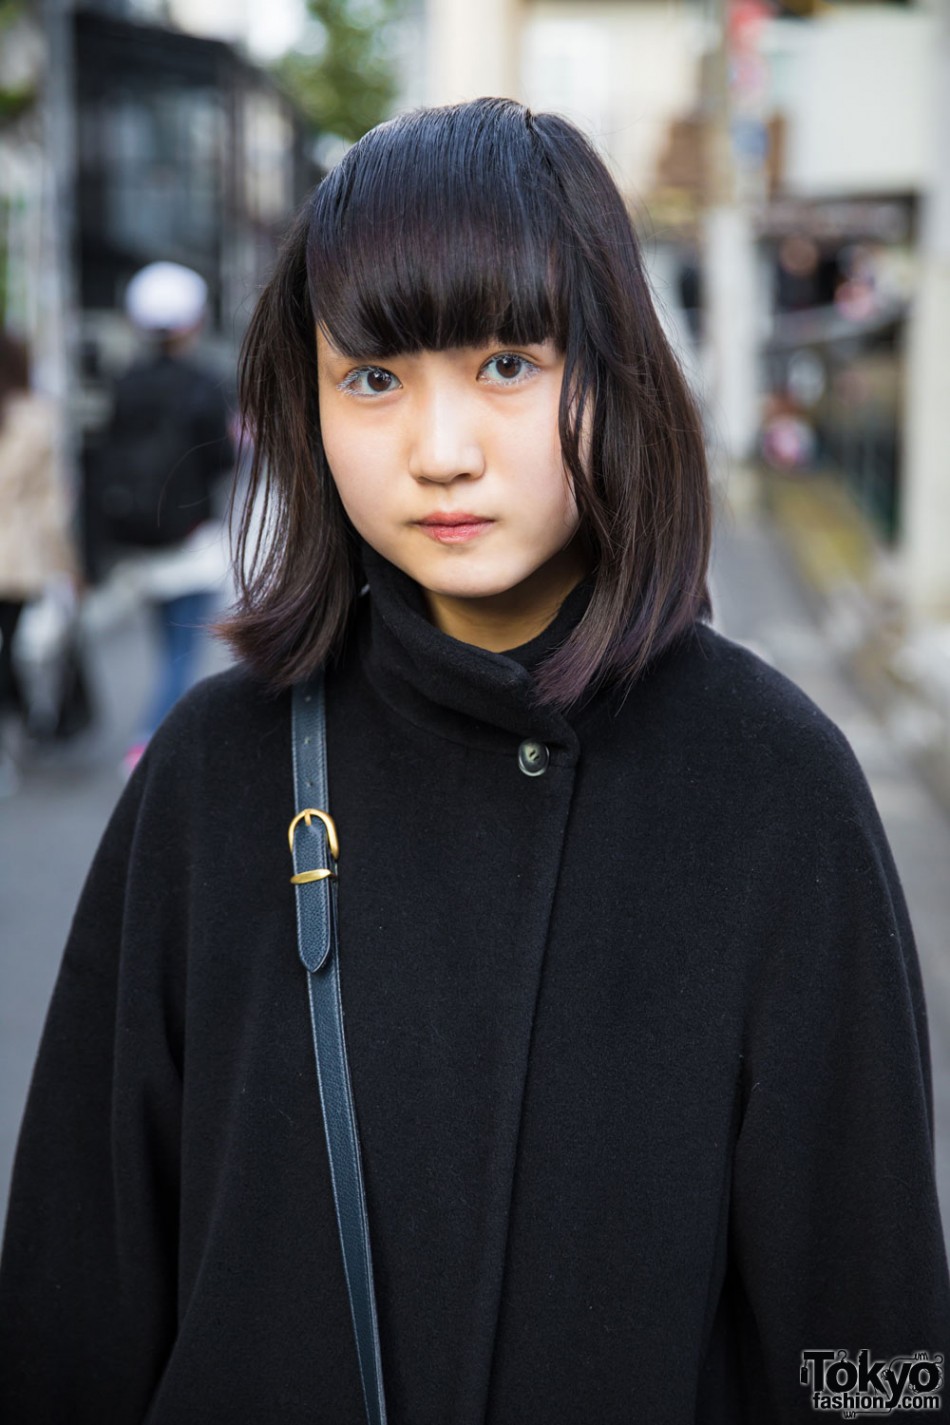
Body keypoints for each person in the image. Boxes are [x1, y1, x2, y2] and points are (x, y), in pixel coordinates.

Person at [0, 99, 947, 1423]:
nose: (439, 453)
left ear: (611, 372)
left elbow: (874, 1351)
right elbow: (70, 1304)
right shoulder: (216, 773)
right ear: (304, 408)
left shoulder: (772, 788)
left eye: (508, 364)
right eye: (372, 380)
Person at [93, 260, 234, 775]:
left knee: (165, 649)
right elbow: (221, 459)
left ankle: (156, 740)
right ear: (192, 322)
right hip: (190, 539)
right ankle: (150, 744)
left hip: (140, 539)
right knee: (181, 655)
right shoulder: (204, 384)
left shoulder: (125, 384)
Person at [0, 331, 81, 793]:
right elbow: (51, 510)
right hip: (14, 557)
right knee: (8, 649)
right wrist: (68, 566)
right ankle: (19, 731)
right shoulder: (35, 419)